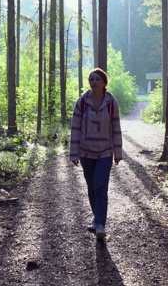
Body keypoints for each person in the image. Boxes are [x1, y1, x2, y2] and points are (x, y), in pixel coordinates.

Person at [69, 67, 123, 240]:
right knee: (91, 187)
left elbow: (116, 128)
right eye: (91, 79)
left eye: (97, 79)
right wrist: (74, 153)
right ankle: (96, 218)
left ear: (104, 83)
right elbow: (75, 128)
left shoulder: (111, 102)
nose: (94, 82)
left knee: (100, 186)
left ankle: (100, 224)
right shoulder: (82, 102)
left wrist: (118, 152)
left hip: (105, 153)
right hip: (86, 153)